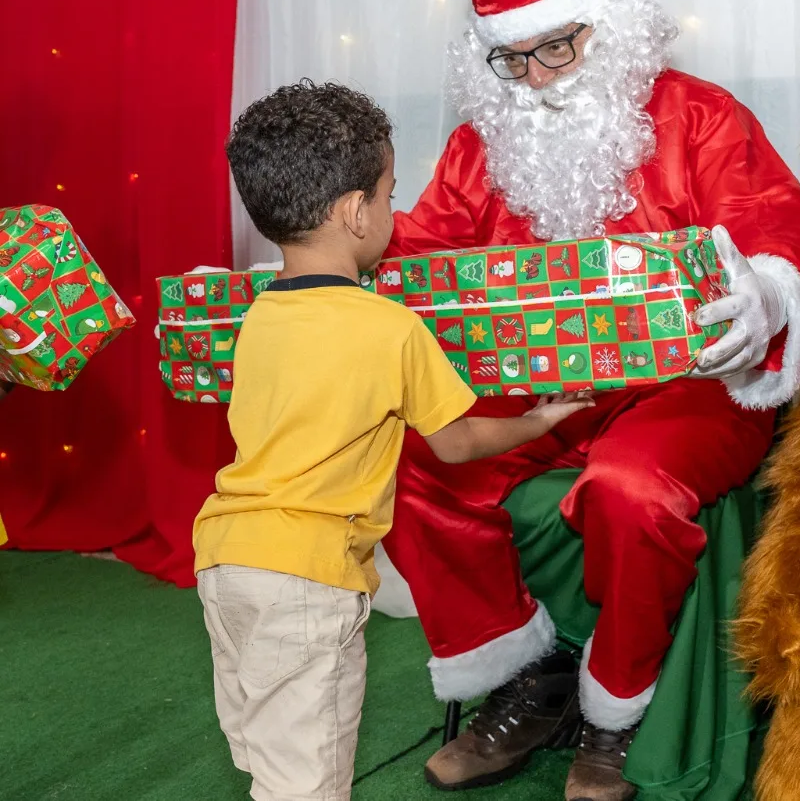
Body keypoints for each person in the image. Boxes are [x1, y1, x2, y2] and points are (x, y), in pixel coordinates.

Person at [383, 0, 800, 800]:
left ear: (607, 25)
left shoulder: (700, 116)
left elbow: (774, 232)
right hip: (545, 390)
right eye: (514, 60)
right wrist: (320, 261)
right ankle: (525, 671)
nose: (540, 78)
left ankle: (615, 714)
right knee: (403, 451)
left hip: (688, 386)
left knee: (631, 491)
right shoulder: (484, 144)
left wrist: (765, 297)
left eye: (559, 45)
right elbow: (422, 257)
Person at [193, 82, 594, 801]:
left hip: (226, 561)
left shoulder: (255, 318)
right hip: (308, 575)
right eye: (387, 196)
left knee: (266, 746)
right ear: (355, 212)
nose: (392, 212)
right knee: (308, 779)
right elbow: (459, 442)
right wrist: (537, 420)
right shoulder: (390, 327)